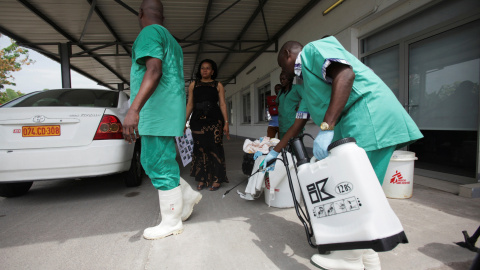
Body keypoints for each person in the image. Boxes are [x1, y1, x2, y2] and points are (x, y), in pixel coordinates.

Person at [263, 37, 423, 269]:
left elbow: (345, 75)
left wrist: (327, 127)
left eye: (281, 64)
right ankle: (367, 256)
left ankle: (349, 256)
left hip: (368, 118)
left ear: (288, 54)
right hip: (357, 126)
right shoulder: (306, 83)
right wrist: (274, 151)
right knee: (364, 192)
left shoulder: (313, 50)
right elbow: (298, 124)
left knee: (356, 192)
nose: (283, 71)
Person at [123, 0, 202, 241]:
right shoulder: (172, 41)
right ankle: (185, 196)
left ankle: (171, 221)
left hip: (155, 111)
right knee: (155, 161)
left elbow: (154, 70)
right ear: (163, 17)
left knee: (156, 163)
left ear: (140, 13)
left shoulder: (149, 33)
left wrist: (133, 109)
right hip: (167, 111)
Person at [185, 59, 230, 191]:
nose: (205, 70)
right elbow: (190, 104)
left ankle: (217, 179)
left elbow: (222, 104)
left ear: (212, 71)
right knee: (200, 149)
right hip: (197, 121)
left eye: (208, 68)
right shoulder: (194, 85)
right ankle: (201, 178)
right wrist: (184, 122)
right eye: (202, 68)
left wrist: (226, 123)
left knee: (215, 148)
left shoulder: (218, 85)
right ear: (200, 70)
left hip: (215, 121)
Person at [277, 71, 304, 139]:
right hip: (282, 123)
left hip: (293, 122)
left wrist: (300, 110)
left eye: (283, 79)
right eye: (280, 79)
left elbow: (305, 98)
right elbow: (277, 102)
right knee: (284, 147)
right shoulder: (281, 91)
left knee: (295, 146)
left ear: (289, 79)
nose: (281, 81)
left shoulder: (296, 88)